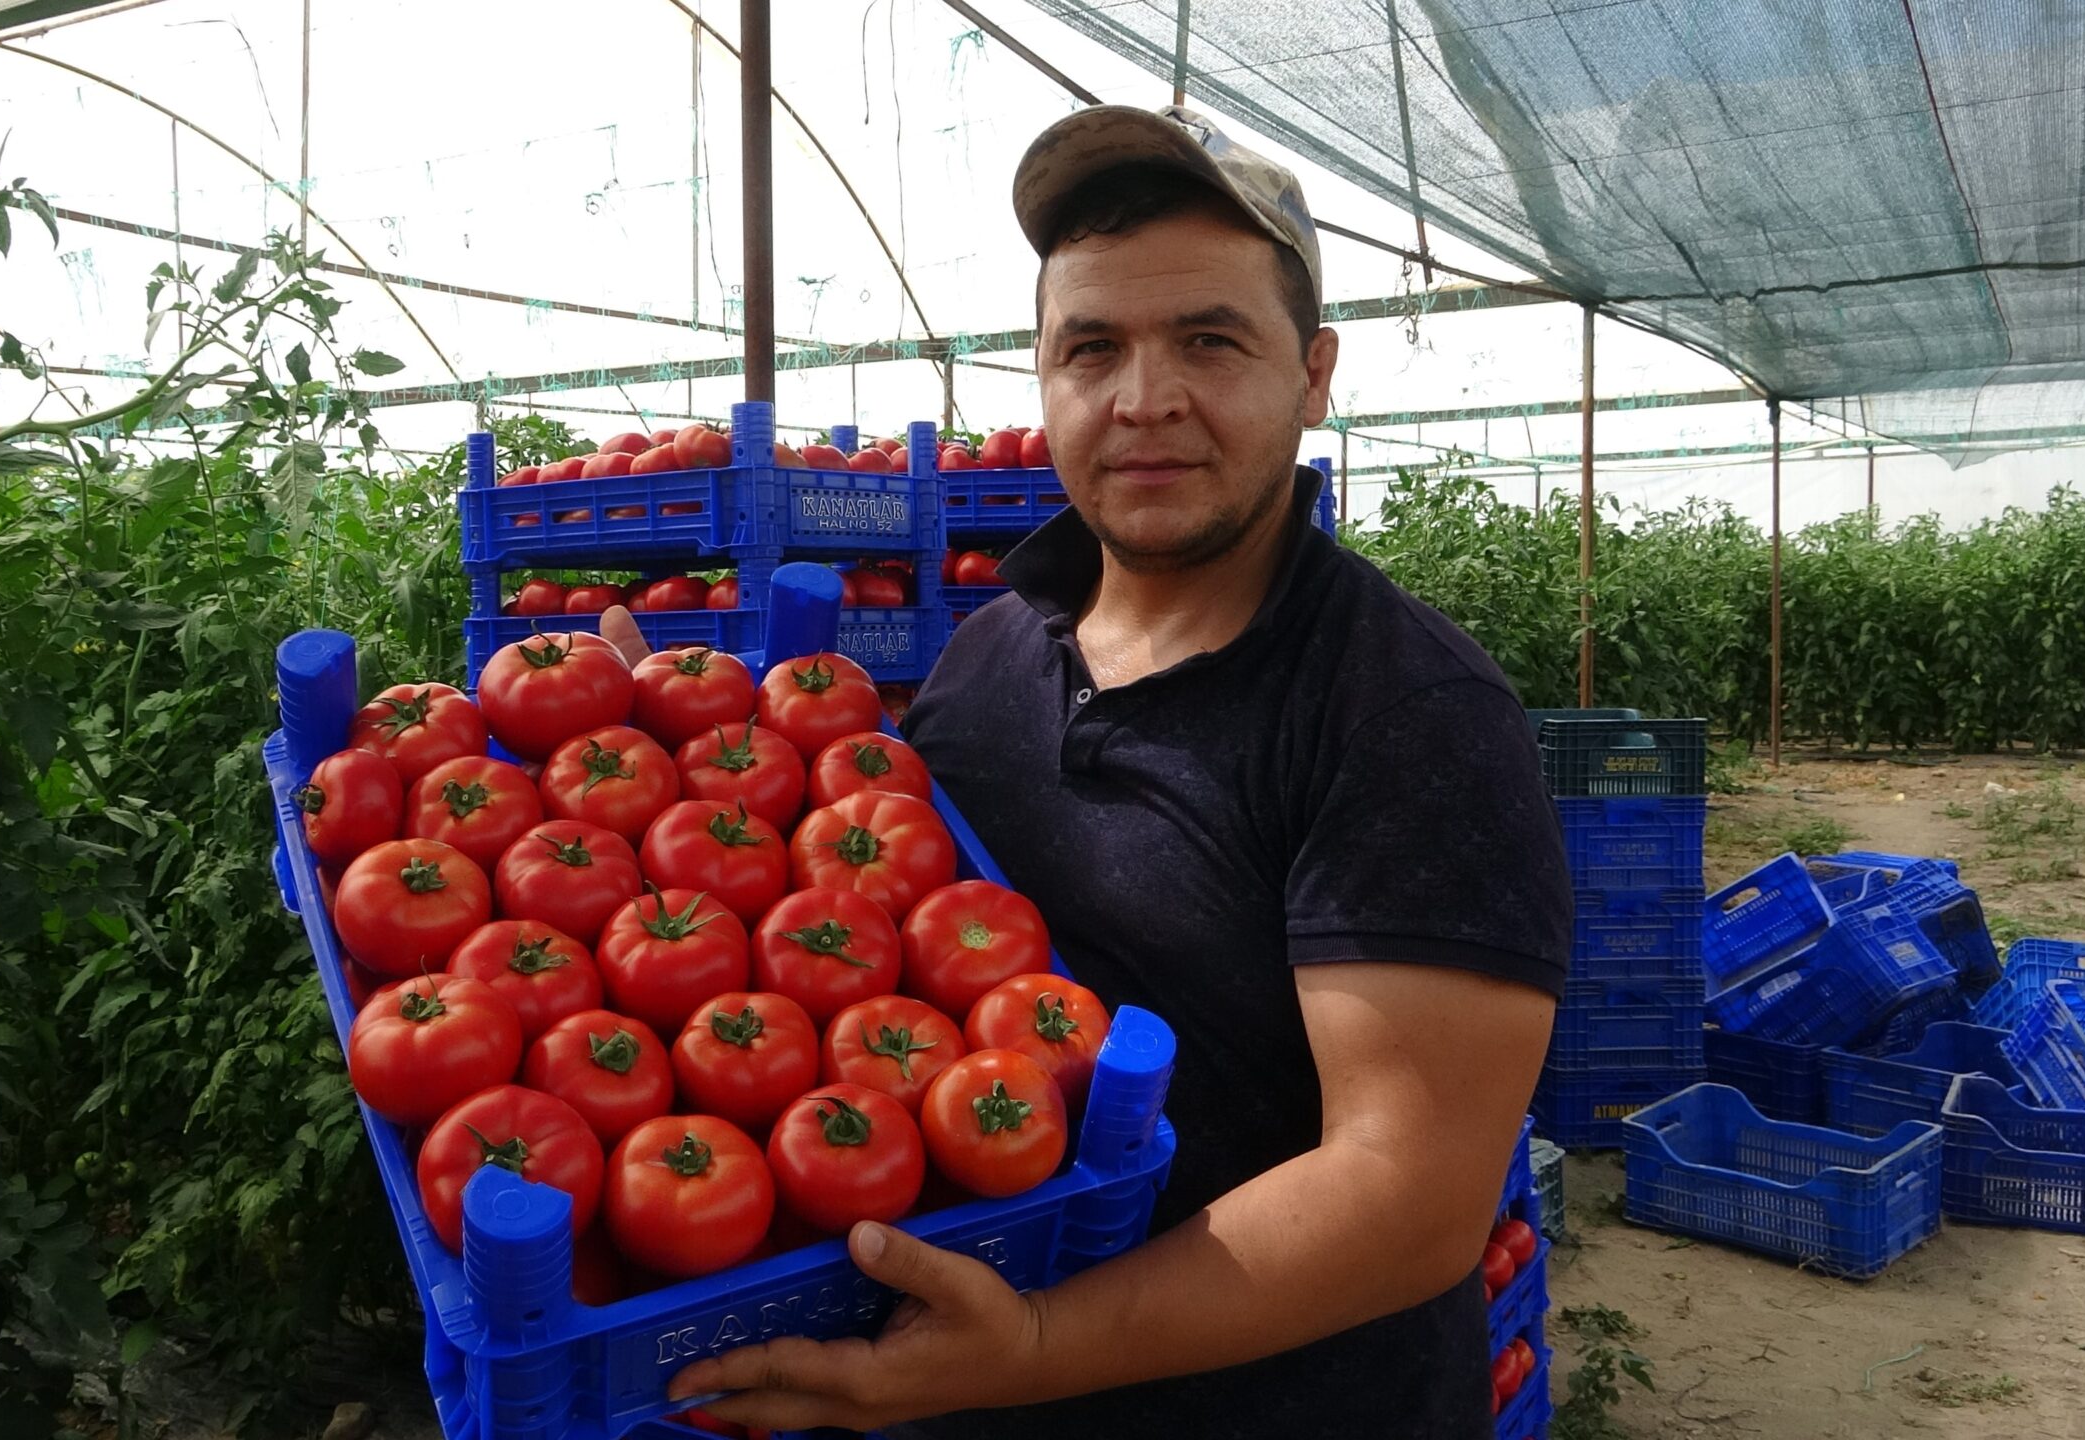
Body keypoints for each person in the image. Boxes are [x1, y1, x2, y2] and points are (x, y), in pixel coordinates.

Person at [604, 105, 1570, 1438]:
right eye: (1092, 347)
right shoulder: (990, 657)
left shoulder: (1403, 709)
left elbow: (1408, 1198)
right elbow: (858, 949)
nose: (1144, 398)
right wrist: (647, 754)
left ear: (1314, 374)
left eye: (1211, 341)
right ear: (1044, 379)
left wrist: (1039, 1344)